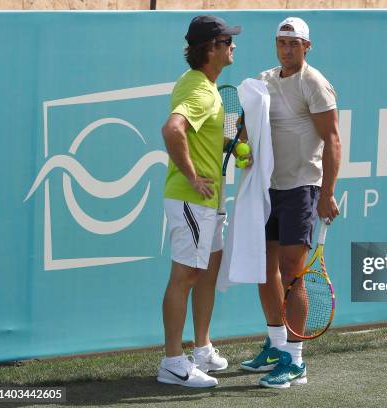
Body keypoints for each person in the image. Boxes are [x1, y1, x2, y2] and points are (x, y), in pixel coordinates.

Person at [239, 17, 341, 389]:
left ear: (306, 47)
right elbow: (247, 125)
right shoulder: (264, 81)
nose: (287, 49)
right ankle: (277, 344)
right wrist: (243, 148)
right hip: (267, 187)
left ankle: (296, 362)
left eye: (294, 44)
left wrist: (327, 192)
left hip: (302, 187)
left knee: (292, 272)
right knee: (265, 270)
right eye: (282, 43)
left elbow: (332, 140)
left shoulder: (314, 84)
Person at [157, 15, 241, 388]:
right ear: (211, 49)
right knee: (186, 274)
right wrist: (192, 176)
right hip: (192, 199)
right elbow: (172, 129)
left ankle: (202, 348)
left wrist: (235, 145)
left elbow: (208, 137)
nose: (232, 46)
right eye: (227, 41)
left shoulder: (203, 85)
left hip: (210, 201)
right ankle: (173, 361)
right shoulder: (199, 90)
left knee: (208, 268)